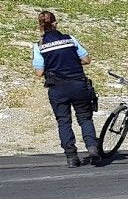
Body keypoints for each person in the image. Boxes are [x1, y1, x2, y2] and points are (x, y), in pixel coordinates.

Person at [32, 10, 100, 167]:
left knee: (63, 121)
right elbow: (86, 59)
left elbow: (39, 72)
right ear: (56, 24)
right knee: (84, 118)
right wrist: (72, 63)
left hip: (57, 88)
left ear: (40, 27)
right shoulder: (70, 39)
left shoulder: (39, 46)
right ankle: (92, 148)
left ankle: (71, 157)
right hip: (78, 84)